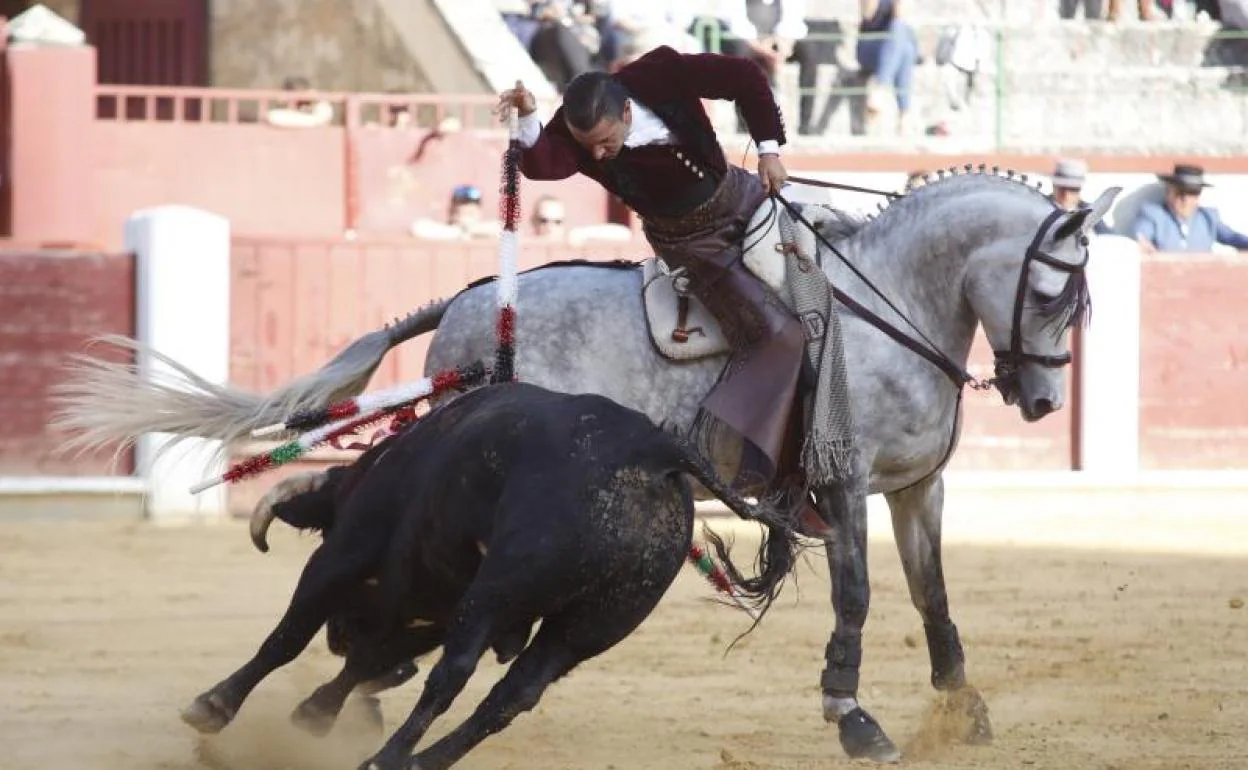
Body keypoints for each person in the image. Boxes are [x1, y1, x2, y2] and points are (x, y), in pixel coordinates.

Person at [495, 45, 813, 486]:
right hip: (691, 245)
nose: (601, 155)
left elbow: (743, 76)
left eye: (607, 141)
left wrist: (769, 151)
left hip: (739, 192)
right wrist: (529, 117)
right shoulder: (573, 136)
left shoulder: (662, 73)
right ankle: (779, 480)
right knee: (778, 336)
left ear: (626, 111)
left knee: (831, 269)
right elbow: (542, 163)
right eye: (592, 147)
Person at [1131, 163, 1248, 253]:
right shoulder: (1153, 214)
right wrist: (1143, 244)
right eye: (1180, 192)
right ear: (1169, 191)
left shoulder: (1208, 217)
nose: (1186, 199)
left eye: (1192, 193)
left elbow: (1232, 237)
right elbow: (1141, 236)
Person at [1048, 159, 1113, 236]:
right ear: (1054, 186)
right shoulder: (1040, 208)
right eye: (1062, 188)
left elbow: (1109, 238)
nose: (1066, 194)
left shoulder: (1090, 212)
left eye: (1073, 189)